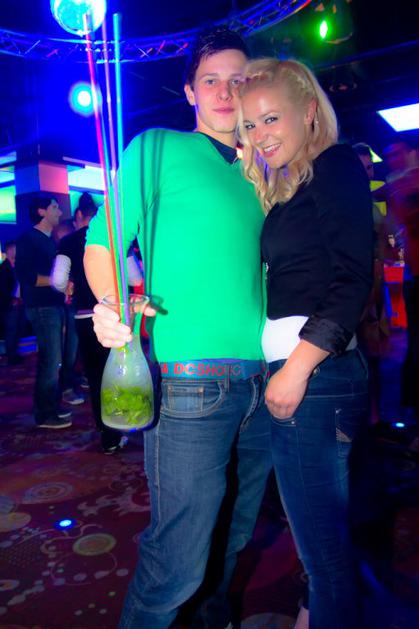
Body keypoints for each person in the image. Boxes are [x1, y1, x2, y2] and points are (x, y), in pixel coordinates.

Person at [84, 28, 272, 629]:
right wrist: (111, 305)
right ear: (190, 92)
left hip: (266, 382)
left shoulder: (264, 170)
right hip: (192, 381)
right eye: (211, 80)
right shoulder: (158, 147)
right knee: (178, 561)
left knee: (233, 537)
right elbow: (103, 241)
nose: (225, 92)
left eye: (238, 80)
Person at [238, 59, 373, 628]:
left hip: (315, 376)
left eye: (271, 119)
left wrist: (295, 370)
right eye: (249, 125)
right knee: (319, 545)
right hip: (309, 376)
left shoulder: (335, 165)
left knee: (324, 555)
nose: (260, 135)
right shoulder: (295, 182)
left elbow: (352, 278)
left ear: (310, 111)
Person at [51, 201, 143, 453]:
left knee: (96, 376)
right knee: (124, 371)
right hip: (117, 316)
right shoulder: (117, 236)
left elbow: (57, 280)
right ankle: (129, 421)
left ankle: (108, 435)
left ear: (79, 215)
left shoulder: (68, 241)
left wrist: (70, 287)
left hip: (85, 317)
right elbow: (135, 277)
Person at [15, 195, 72, 428]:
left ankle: (50, 406)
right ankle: (44, 413)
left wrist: (63, 285)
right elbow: (26, 276)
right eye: (54, 207)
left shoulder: (50, 241)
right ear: (41, 211)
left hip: (53, 305)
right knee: (51, 359)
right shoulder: (29, 239)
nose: (60, 211)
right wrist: (58, 281)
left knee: (54, 359)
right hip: (41, 306)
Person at [0, 241, 25, 365]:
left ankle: (14, 354)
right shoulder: (3, 268)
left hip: (19, 302)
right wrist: (12, 299)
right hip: (10, 304)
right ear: (9, 251)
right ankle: (11, 356)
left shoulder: (17, 266)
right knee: (11, 329)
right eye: (16, 249)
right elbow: (2, 288)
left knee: (17, 329)